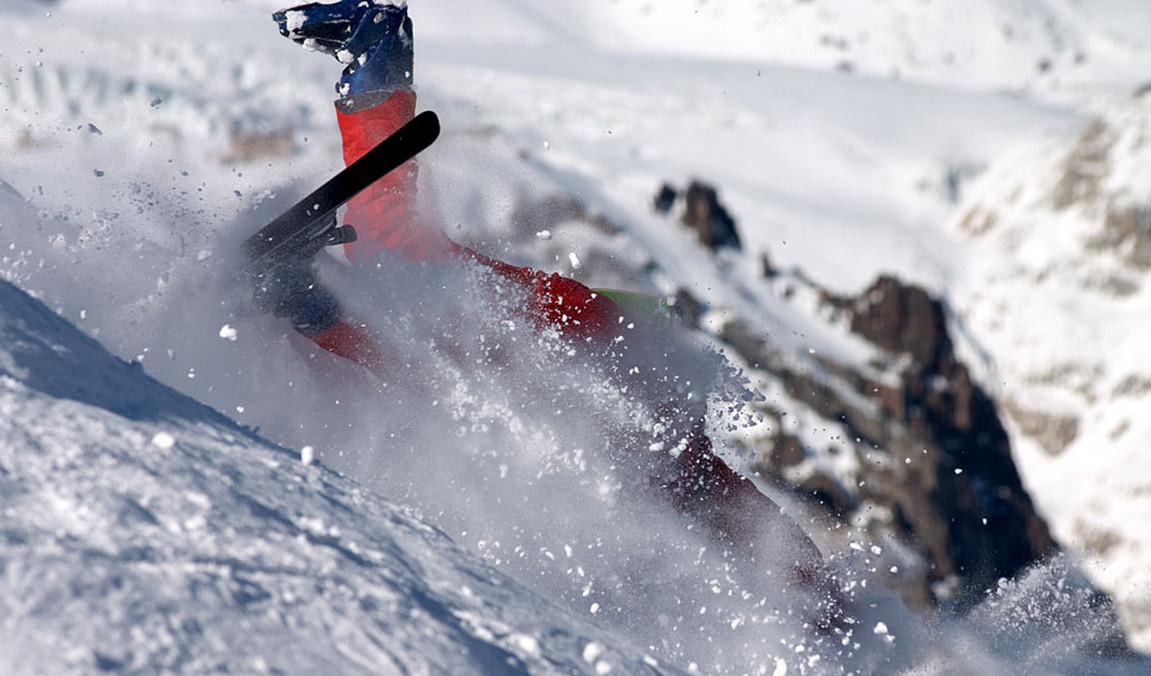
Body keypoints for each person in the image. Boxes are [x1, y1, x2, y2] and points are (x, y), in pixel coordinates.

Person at [267, 0, 838, 621]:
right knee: (399, 267)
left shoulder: (647, 483)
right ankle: (376, 46)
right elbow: (428, 381)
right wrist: (834, 612)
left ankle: (308, 302)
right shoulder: (652, 463)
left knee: (387, 317)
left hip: (599, 350)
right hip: (588, 339)